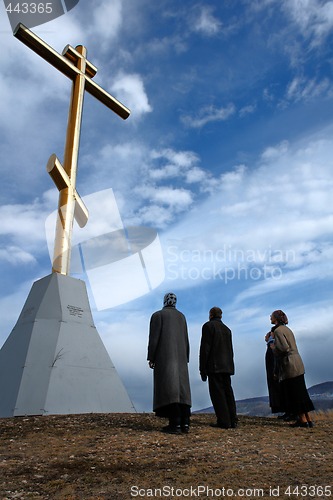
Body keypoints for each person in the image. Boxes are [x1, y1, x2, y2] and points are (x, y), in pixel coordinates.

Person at [147, 292, 192, 434]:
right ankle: (185, 423)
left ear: (164, 301)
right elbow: (186, 339)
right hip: (181, 360)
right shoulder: (182, 317)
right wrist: (186, 357)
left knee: (170, 391)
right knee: (182, 392)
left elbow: (154, 339)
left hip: (165, 358)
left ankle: (175, 423)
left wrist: (151, 357)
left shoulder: (157, 316)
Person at [269, 310, 314, 428]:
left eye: (271, 316)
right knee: (302, 391)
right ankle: (308, 419)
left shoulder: (278, 331)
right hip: (297, 361)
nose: (270, 318)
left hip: (289, 364)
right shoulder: (287, 329)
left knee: (295, 392)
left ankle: (303, 420)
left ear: (276, 318)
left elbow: (284, 347)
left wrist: (273, 347)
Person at [199, 306, 237, 429]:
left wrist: (202, 368)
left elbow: (205, 349)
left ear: (210, 315)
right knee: (228, 393)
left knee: (217, 395)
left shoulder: (208, 326)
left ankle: (223, 421)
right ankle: (233, 419)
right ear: (221, 315)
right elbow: (230, 350)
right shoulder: (227, 330)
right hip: (227, 366)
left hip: (214, 366)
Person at [264, 329, 284, 415]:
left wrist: (275, 372)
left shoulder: (271, 345)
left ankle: (286, 411)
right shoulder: (272, 345)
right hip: (275, 372)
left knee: (278, 390)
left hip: (274, 373)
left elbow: (274, 359)